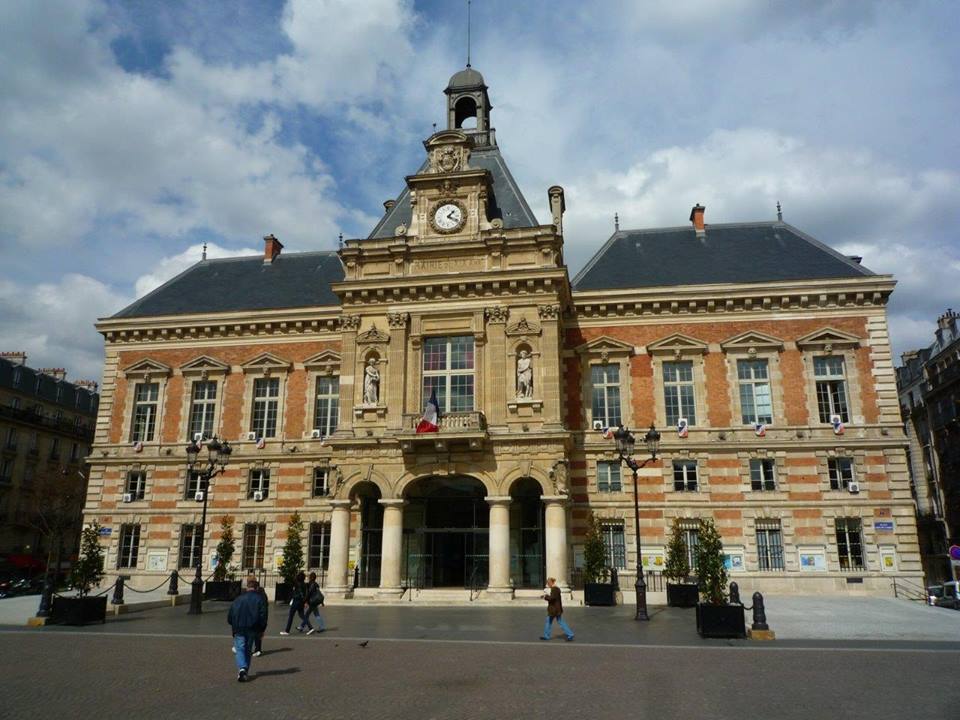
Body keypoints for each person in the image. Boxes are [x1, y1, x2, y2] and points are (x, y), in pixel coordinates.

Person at [228, 577, 268, 682]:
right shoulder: (260, 599)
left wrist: (233, 625)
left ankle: (242, 669)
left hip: (239, 628)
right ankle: (244, 670)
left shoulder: (238, 599)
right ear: (256, 587)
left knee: (240, 649)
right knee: (248, 650)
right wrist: (262, 629)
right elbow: (263, 615)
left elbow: (230, 615)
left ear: (247, 587)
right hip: (252, 628)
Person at [280, 571, 313, 635]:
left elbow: (293, 581)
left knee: (291, 616)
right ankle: (310, 627)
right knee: (302, 615)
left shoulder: (297, 584)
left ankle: (287, 631)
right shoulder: (304, 584)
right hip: (301, 602)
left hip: (296, 601)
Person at [541, 577, 574, 641]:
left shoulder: (554, 589)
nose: (548, 585)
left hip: (554, 609)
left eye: (548, 583)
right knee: (556, 621)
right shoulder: (556, 589)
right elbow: (554, 598)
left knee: (553, 622)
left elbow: (552, 598)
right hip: (556, 609)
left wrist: (545, 596)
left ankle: (570, 634)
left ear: (552, 582)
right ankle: (570, 634)